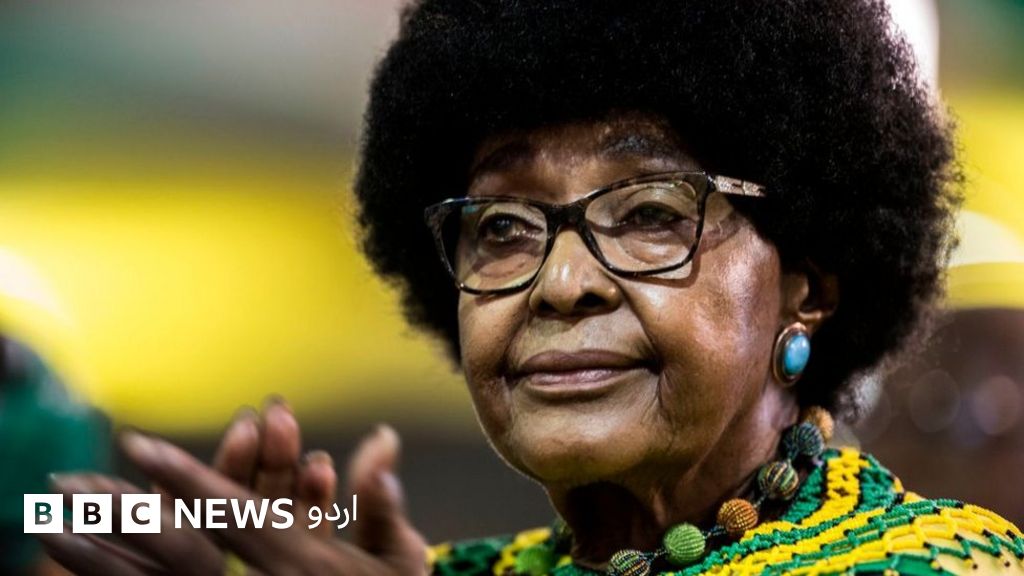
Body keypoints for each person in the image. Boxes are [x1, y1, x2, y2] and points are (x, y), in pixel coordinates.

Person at [38, 0, 1024, 575]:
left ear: (809, 281)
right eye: (504, 227)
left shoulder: (945, 561)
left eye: (649, 213)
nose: (560, 284)